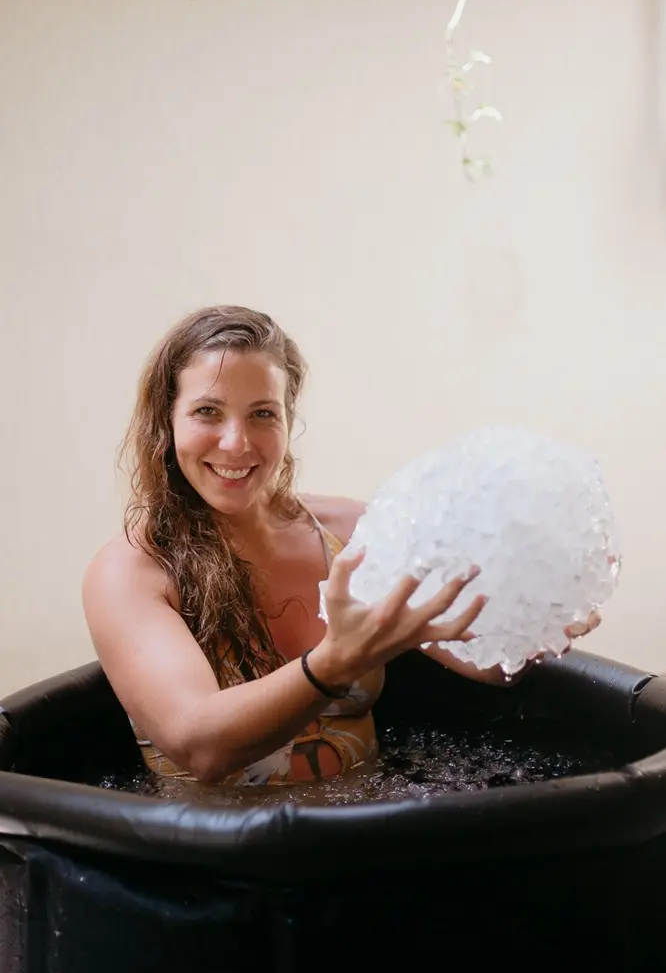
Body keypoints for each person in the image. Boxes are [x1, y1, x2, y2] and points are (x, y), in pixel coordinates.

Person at [83, 305, 600, 787]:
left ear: (288, 421)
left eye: (262, 413)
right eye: (208, 412)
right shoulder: (133, 571)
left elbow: (476, 658)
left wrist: (533, 624)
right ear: (166, 422)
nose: (236, 442)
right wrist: (333, 663)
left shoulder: (352, 533)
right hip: (212, 866)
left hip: (366, 835)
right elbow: (200, 746)